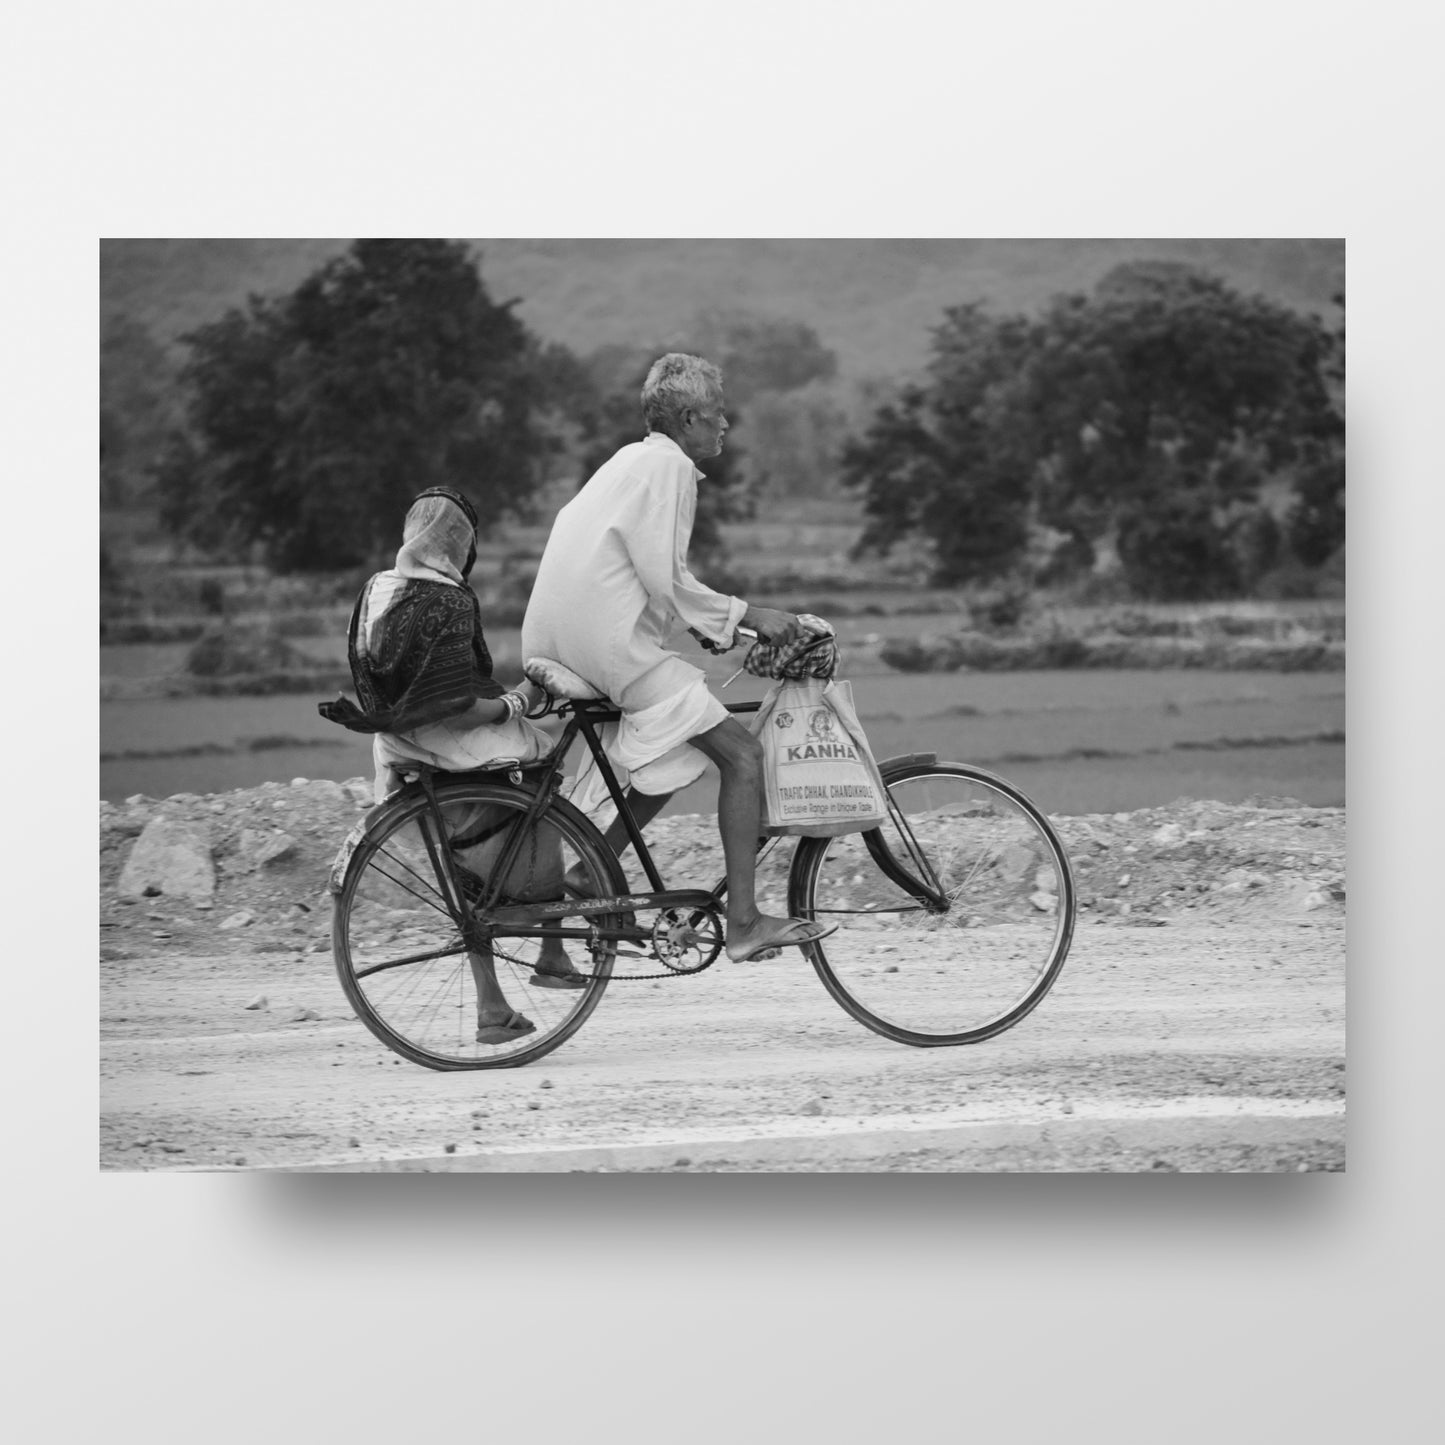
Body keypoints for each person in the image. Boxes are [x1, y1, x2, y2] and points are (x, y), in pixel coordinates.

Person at [522, 353, 837, 963]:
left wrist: (714, 628)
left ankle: (591, 873)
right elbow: (666, 576)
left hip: (563, 636)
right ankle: (744, 922)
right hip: (605, 646)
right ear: (689, 418)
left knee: (677, 741)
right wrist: (749, 617)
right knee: (742, 755)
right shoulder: (669, 468)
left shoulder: (629, 461)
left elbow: (638, 575)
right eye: (718, 415)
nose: (726, 426)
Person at [319, 487, 585, 1045]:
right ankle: (553, 948)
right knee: (549, 761)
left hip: (397, 746)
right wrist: (519, 700)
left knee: (465, 867)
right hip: (452, 742)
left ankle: (494, 1002)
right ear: (461, 546)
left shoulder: (378, 589)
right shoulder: (449, 601)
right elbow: (463, 709)